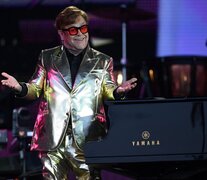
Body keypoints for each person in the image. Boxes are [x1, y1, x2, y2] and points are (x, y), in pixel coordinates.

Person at [1, 6, 137, 180]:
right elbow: (35, 89)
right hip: (53, 135)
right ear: (61, 33)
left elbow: (108, 90)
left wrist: (118, 91)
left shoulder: (103, 61)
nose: (81, 34)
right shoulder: (47, 57)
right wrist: (20, 88)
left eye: (84, 28)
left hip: (87, 136)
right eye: (73, 30)